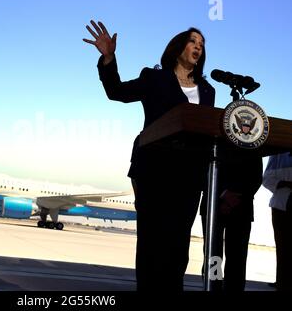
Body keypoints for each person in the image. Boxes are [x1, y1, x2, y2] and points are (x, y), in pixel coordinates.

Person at [84, 20, 215, 290]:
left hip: (189, 178)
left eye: (202, 45)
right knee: (152, 246)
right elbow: (116, 92)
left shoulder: (208, 90)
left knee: (178, 249)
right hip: (154, 172)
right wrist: (108, 58)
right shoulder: (155, 78)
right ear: (178, 47)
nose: (198, 47)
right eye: (193, 41)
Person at [200, 152, 263, 291]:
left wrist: (233, 197)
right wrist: (222, 194)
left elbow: (256, 176)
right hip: (213, 205)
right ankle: (213, 288)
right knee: (213, 257)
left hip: (241, 208)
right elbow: (200, 168)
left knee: (237, 259)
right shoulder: (208, 136)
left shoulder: (252, 141)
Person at [263, 152, 292, 291]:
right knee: (282, 246)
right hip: (280, 205)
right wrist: (284, 183)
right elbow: (267, 179)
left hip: (281, 203)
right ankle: (281, 280)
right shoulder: (277, 154)